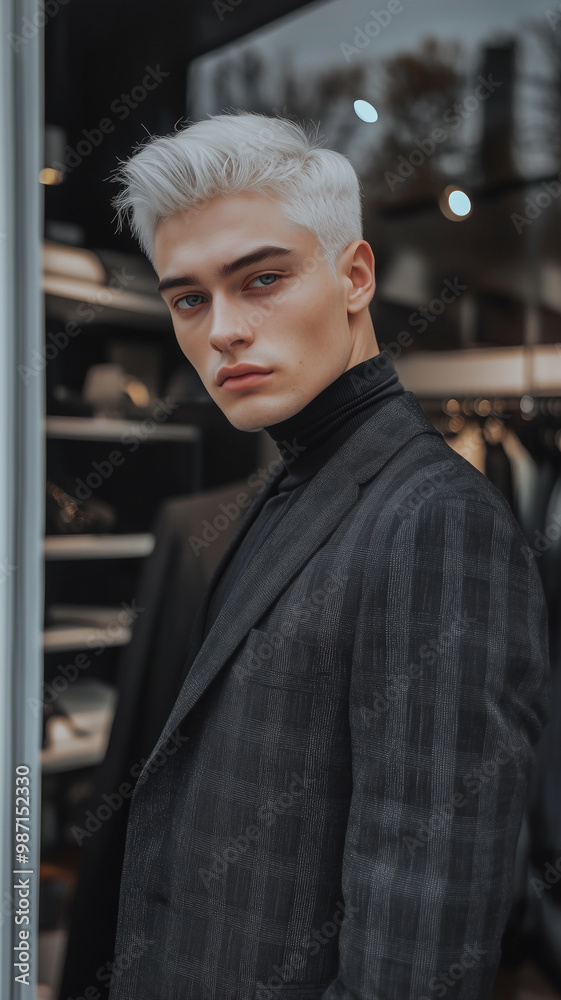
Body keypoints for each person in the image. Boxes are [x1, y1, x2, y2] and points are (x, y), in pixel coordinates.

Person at [105, 111, 551, 1000]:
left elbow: (416, 957)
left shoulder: (433, 523)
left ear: (353, 276)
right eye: (188, 299)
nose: (222, 329)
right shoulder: (286, 490)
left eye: (260, 278)